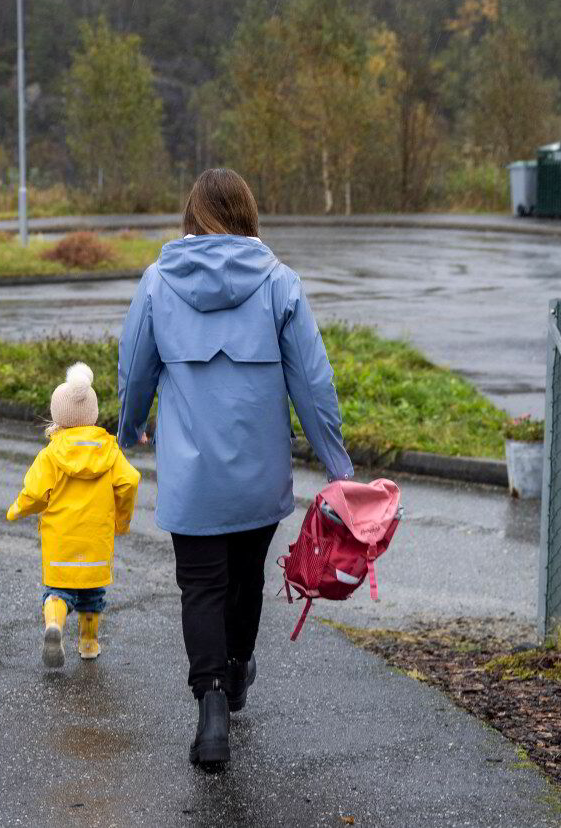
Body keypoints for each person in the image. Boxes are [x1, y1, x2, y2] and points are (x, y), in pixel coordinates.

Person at [116, 168, 352, 768]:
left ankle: (211, 708)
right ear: (249, 213)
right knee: (245, 579)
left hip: (193, 481)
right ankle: (239, 666)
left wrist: (130, 426)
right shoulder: (279, 283)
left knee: (200, 586)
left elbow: (136, 366)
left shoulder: (156, 282)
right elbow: (313, 383)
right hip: (259, 473)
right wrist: (337, 464)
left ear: (191, 215)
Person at [7, 362, 140, 669]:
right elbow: (130, 481)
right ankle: (89, 643)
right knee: (93, 594)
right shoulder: (110, 451)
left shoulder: (51, 454)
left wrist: (17, 509)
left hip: (60, 542)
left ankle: (54, 624)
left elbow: (35, 492)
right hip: (96, 541)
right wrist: (122, 518)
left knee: (57, 590)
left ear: (58, 416)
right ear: (92, 413)